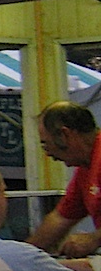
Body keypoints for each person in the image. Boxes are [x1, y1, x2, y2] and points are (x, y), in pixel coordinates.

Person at [27, 101, 101, 258]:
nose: (48, 155)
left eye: (45, 145)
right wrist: (23, 253)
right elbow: (61, 217)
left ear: (65, 135)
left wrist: (95, 238)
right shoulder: (85, 168)